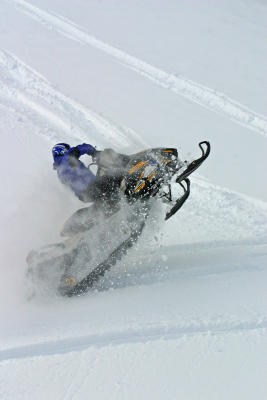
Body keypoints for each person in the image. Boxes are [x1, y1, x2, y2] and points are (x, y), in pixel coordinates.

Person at [52, 142, 120, 203]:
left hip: (84, 196)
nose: (69, 150)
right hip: (93, 187)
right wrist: (94, 152)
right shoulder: (67, 158)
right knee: (107, 154)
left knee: (103, 175)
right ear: (62, 150)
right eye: (67, 149)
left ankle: (110, 201)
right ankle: (126, 167)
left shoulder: (60, 172)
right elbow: (82, 148)